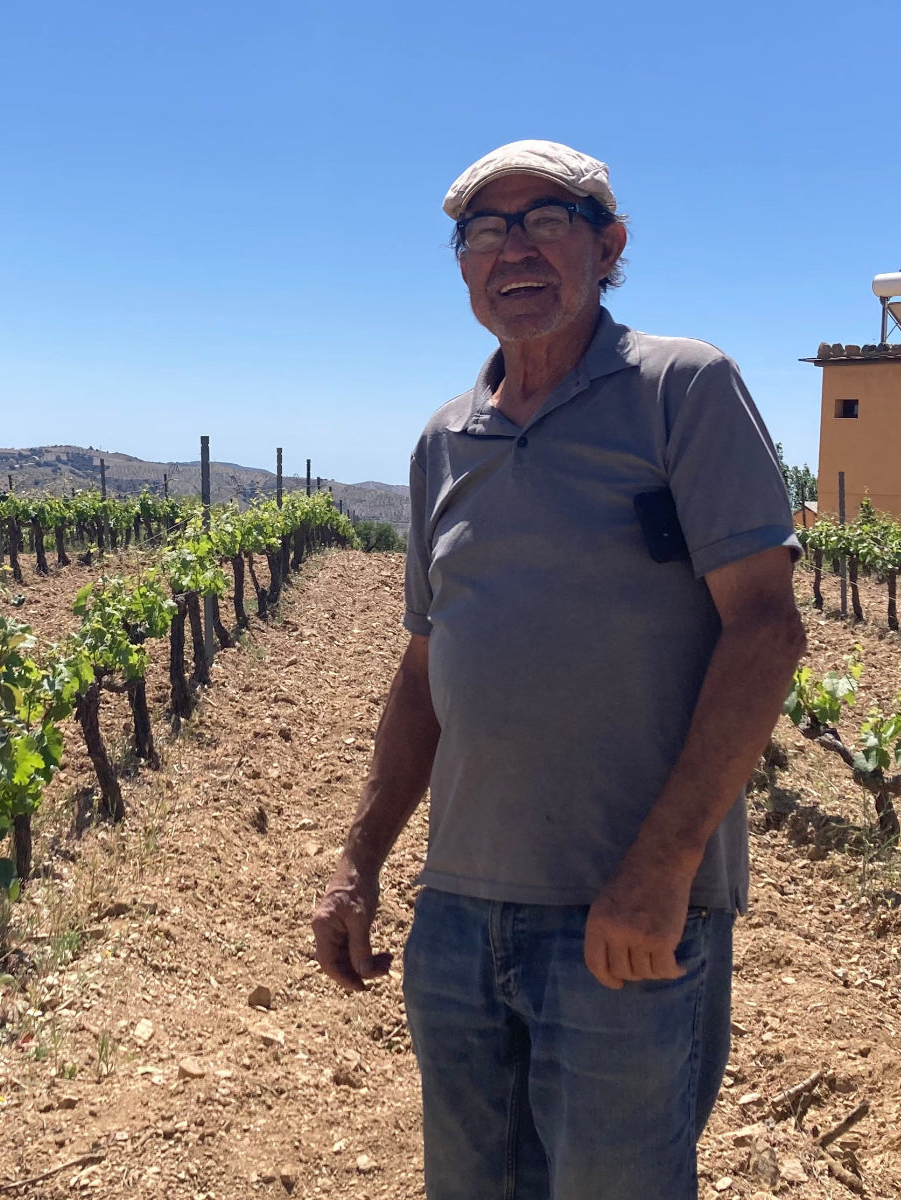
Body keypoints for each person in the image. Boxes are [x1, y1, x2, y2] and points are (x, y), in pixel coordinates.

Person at [312, 139, 806, 1199]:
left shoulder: (684, 387)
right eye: (485, 229)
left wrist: (661, 870)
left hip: (623, 914)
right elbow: (423, 670)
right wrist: (362, 861)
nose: (513, 248)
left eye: (546, 218)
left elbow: (765, 631)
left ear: (609, 243)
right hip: (455, 916)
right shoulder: (446, 440)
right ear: (462, 265)